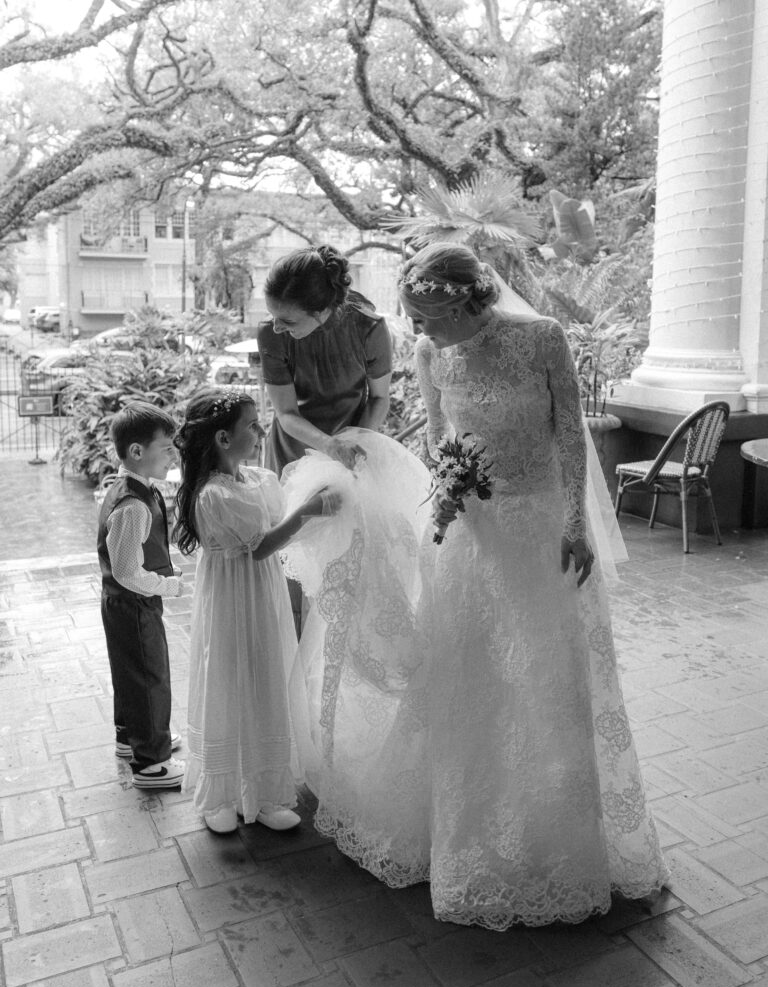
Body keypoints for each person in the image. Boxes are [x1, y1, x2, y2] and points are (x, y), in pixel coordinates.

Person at [286, 243, 668, 930]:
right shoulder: (434, 355)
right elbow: (438, 435)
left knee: (547, 677)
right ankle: (460, 828)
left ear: (464, 301)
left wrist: (577, 522)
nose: (419, 334)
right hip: (470, 530)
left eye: (428, 318)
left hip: (541, 525)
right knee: (465, 675)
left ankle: (556, 828)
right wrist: (449, 482)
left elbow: (570, 437)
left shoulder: (541, 338)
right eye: (413, 321)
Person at [173, 387, 340, 835]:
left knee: (266, 674)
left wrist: (321, 502)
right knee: (228, 677)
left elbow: (280, 532)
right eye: (252, 424)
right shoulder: (211, 496)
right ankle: (222, 792)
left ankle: (265, 791)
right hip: (229, 600)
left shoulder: (262, 480)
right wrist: (309, 511)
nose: (261, 429)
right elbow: (261, 546)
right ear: (224, 439)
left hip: (264, 599)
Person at [257, 245, 393, 633]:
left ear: (320, 311)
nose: (277, 327)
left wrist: (355, 445)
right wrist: (328, 445)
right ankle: (290, 654)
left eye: (287, 319)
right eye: (272, 316)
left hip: (353, 449)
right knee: (291, 566)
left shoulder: (369, 327)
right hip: (292, 448)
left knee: (342, 564)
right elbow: (285, 413)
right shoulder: (272, 333)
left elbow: (379, 397)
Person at [97, 401, 184, 790]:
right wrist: (168, 585)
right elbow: (128, 571)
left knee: (130, 670)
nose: (173, 455)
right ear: (137, 452)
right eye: (166, 448)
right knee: (149, 674)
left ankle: (129, 736)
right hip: (133, 602)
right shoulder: (133, 505)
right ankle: (151, 761)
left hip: (121, 602)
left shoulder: (128, 490)